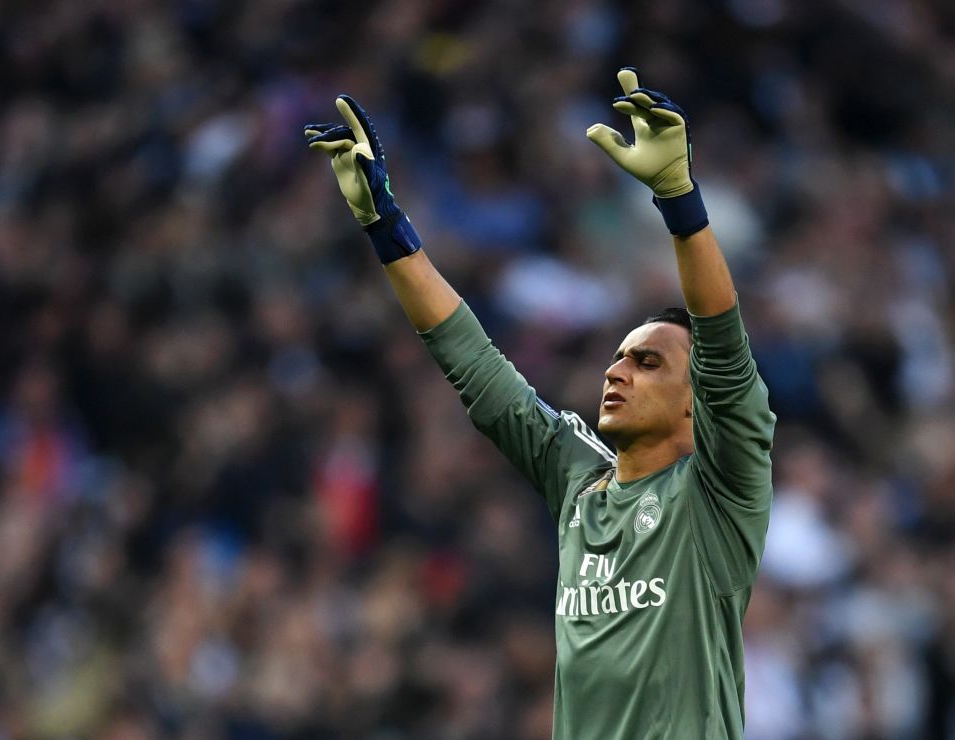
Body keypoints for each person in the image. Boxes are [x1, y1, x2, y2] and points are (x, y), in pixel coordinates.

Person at [305, 67, 776, 740]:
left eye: (648, 363)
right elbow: (474, 364)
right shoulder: (580, 479)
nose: (617, 370)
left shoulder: (723, 494)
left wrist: (679, 200)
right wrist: (386, 228)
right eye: (619, 355)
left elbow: (725, 351)